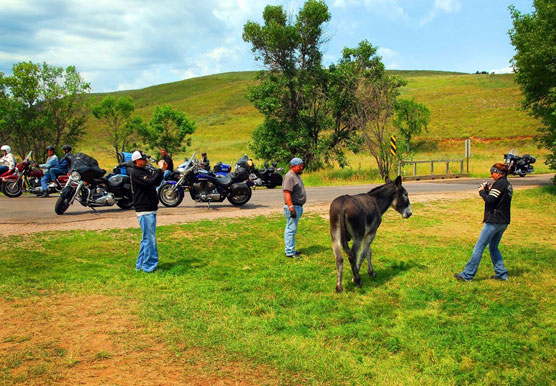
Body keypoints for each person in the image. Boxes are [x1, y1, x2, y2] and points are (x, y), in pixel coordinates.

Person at [454, 163, 513, 282]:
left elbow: (490, 200)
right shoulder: (507, 184)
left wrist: (482, 191)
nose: (491, 175)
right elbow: (496, 198)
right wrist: (488, 190)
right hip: (503, 222)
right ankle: (501, 274)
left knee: (479, 247)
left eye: (493, 172)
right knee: (493, 247)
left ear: (499, 173)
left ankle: (467, 275)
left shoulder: (500, 184)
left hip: (494, 222)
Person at [130, 150, 166, 273]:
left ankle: (140, 265)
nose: (145, 161)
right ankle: (149, 266)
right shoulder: (136, 173)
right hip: (144, 209)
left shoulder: (143, 171)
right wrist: (160, 170)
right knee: (150, 239)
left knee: (146, 238)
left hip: (149, 208)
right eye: (143, 159)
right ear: (137, 161)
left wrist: (161, 171)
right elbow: (150, 181)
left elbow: (155, 181)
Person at [282, 157, 306, 258]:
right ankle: (290, 252)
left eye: (302, 166)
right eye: (299, 166)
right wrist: (291, 209)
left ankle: (291, 249)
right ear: (293, 167)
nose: (302, 168)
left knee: (292, 229)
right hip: (293, 207)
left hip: (297, 206)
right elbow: (287, 193)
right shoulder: (289, 177)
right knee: (290, 229)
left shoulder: (296, 175)